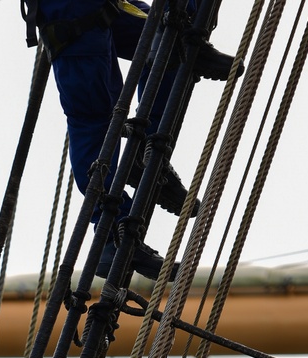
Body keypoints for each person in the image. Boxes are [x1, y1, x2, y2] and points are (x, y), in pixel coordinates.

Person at [23, 0, 236, 277]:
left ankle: (144, 152)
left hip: (102, 6)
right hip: (71, 13)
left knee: (171, 33)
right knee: (94, 118)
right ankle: (112, 235)